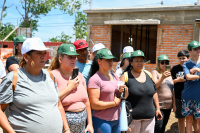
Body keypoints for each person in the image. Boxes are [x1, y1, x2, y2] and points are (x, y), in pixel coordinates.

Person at [0, 37, 70, 133]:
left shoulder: (50, 75)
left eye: (44, 53)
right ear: (26, 57)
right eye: (38, 53)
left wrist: (66, 129)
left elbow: (58, 105)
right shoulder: (13, 78)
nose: (43, 56)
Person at [48, 44, 93, 133]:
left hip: (82, 128)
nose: (74, 60)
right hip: (63, 129)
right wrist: (69, 88)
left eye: (75, 57)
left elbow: (87, 101)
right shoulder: (52, 75)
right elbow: (51, 100)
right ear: (60, 59)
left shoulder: (79, 75)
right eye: (70, 57)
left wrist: (90, 124)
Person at [120, 50, 162, 133]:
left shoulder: (148, 74)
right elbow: (120, 97)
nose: (139, 63)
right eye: (137, 61)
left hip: (150, 119)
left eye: (141, 61)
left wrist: (157, 108)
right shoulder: (125, 76)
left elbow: (154, 92)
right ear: (131, 63)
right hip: (133, 120)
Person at [88, 48, 128, 133]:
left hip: (117, 119)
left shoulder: (115, 77)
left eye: (111, 60)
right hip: (102, 120)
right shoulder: (95, 79)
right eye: (107, 60)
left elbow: (121, 98)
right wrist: (114, 104)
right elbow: (94, 105)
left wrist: (124, 91)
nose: (111, 62)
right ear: (99, 61)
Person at [171, 50, 199, 133]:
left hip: (192, 95)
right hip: (179, 96)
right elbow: (170, 82)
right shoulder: (175, 68)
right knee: (181, 118)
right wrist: (177, 80)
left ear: (188, 58)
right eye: (180, 58)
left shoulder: (191, 66)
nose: (182, 60)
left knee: (194, 118)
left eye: (184, 58)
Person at [151, 54, 174, 133]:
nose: (165, 64)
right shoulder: (155, 72)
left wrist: (174, 104)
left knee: (163, 126)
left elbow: (173, 89)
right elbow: (155, 86)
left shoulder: (170, 74)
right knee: (158, 126)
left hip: (168, 105)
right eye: (162, 62)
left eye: (166, 62)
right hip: (159, 105)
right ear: (158, 64)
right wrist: (162, 77)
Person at [182, 41, 200, 133]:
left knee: (199, 121)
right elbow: (188, 77)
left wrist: (197, 69)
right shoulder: (186, 64)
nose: (198, 50)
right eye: (195, 49)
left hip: (199, 96)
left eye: (199, 48)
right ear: (190, 51)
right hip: (188, 95)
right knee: (188, 120)